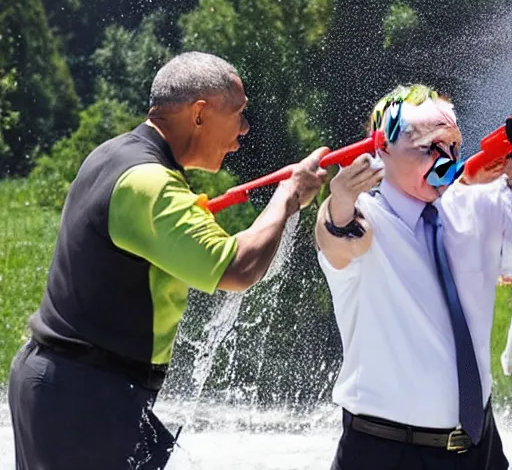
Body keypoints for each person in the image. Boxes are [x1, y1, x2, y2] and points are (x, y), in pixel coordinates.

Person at [8, 51, 327, 470]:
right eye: (238, 113)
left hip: (65, 384)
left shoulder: (113, 154)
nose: (245, 129)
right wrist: (288, 197)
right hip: (84, 395)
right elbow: (236, 268)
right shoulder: (151, 183)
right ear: (199, 114)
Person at [315, 84, 510, 469]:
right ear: (382, 149)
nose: (446, 158)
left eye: (452, 145)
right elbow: (337, 238)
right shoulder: (366, 217)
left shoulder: (478, 206)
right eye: (427, 147)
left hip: (478, 446)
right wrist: (339, 202)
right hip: (385, 451)